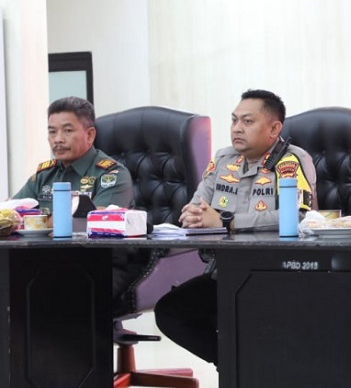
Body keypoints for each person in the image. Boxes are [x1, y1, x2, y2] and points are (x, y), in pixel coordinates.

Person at [154, 89, 317, 365]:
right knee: (171, 312)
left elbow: (301, 216)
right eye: (234, 120)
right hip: (225, 274)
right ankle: (235, 365)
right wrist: (195, 216)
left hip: (278, 276)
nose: (237, 128)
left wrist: (227, 222)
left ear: (274, 128)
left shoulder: (291, 160)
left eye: (248, 121)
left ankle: (249, 369)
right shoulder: (223, 159)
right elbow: (195, 210)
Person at [13, 96, 137, 311]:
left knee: (54, 298)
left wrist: (42, 221)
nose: (57, 139)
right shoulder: (44, 175)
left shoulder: (112, 174)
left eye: (67, 131)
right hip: (45, 261)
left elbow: (97, 224)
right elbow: (14, 214)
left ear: (90, 135)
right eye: (52, 132)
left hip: (101, 265)